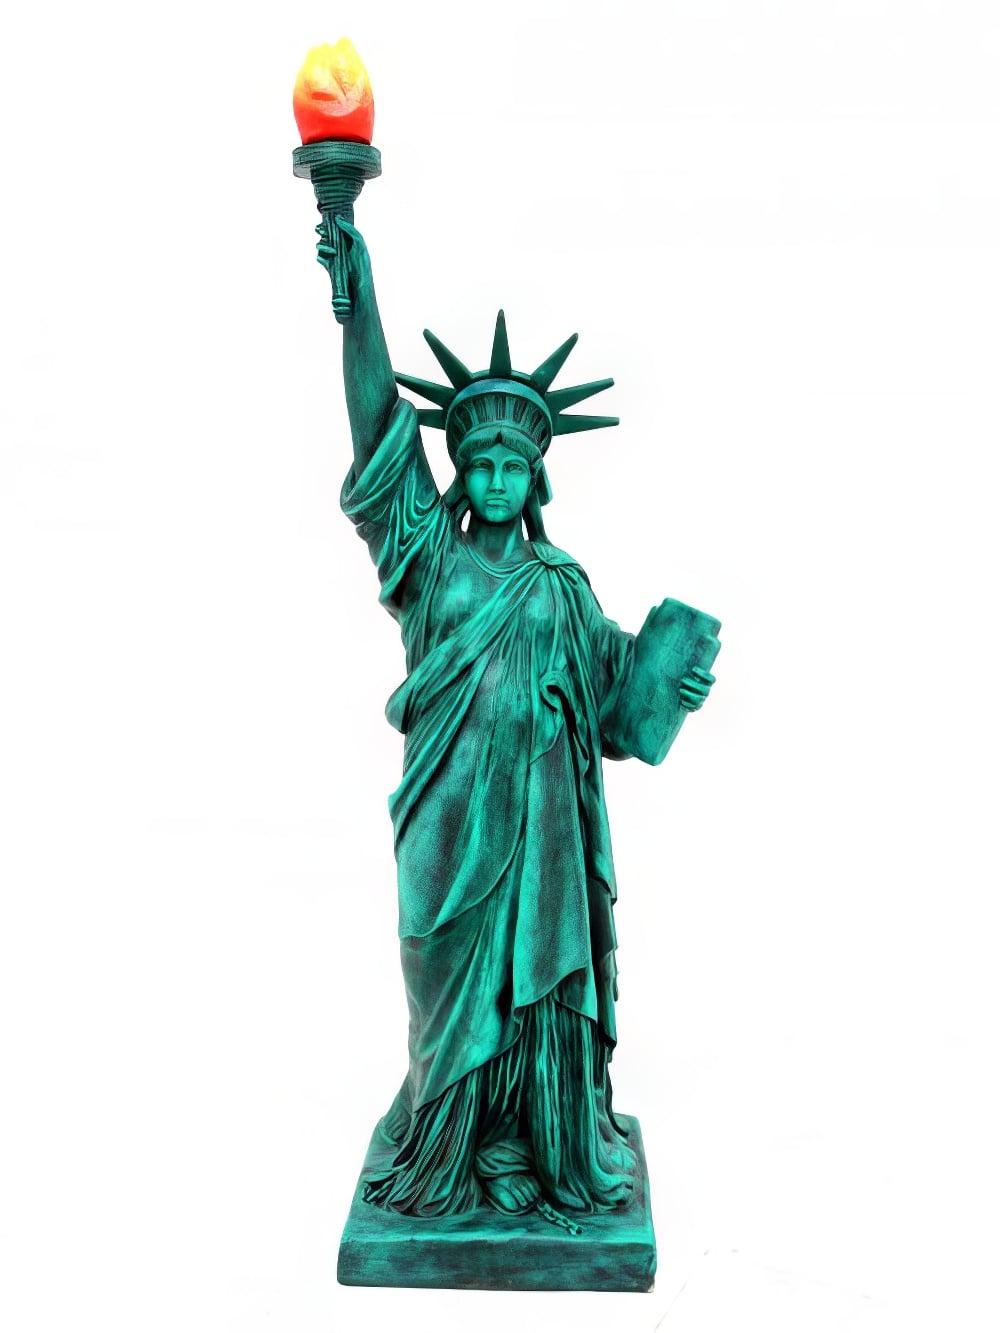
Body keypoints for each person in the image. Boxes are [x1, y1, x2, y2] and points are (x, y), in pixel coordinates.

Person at [326, 219, 716, 1222]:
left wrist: (669, 684)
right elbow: (378, 433)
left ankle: (536, 1147)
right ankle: (451, 1153)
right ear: (460, 470)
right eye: (481, 462)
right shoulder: (429, 560)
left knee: (539, 995)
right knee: (444, 997)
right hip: (449, 828)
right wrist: (357, 300)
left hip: (544, 842)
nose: (497, 479)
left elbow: (618, 717)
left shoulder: (561, 586)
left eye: (513, 465)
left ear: (534, 476)